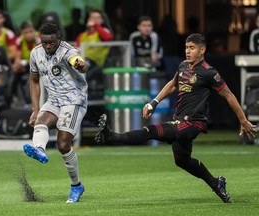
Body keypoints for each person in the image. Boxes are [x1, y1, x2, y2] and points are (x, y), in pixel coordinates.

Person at [95, 33, 257, 203]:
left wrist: (243, 120)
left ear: (202, 50)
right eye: (187, 47)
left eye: (192, 48)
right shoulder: (183, 66)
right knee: (182, 160)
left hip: (193, 123)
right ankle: (216, 183)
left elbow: (228, 95)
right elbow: (173, 85)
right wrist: (154, 102)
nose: (188, 51)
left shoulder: (209, 73)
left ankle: (111, 136)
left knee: (151, 130)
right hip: (179, 120)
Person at [22, 23, 88, 203]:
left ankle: (76, 186)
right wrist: (35, 110)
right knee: (40, 121)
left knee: (63, 144)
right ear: (40, 40)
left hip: (74, 100)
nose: (48, 46)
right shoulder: (36, 53)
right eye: (44, 42)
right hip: (54, 100)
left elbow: (79, 63)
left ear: (58, 38)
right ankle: (39, 150)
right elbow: (34, 81)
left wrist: (81, 64)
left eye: (51, 42)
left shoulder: (67, 52)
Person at [12, 21, 41, 105]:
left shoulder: (40, 39)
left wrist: (25, 62)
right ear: (22, 33)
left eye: (31, 31)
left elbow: (41, 58)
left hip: (39, 66)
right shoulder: (19, 40)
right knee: (14, 72)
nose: (29, 34)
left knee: (31, 80)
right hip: (26, 66)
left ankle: (33, 102)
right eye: (26, 32)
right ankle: (14, 97)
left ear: (34, 31)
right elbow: (17, 57)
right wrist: (17, 64)